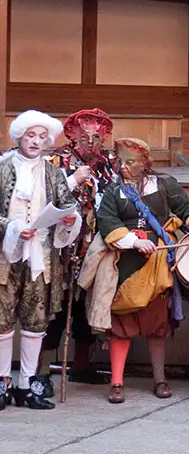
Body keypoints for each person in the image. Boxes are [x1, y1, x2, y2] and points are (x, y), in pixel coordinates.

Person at [97, 137, 189, 404]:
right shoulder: (113, 191)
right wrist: (134, 241)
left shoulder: (164, 184)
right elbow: (107, 221)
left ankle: (160, 379)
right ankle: (116, 382)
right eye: (120, 161)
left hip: (159, 263)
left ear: (145, 162)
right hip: (125, 264)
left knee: (157, 325)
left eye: (130, 161)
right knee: (121, 325)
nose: (123, 167)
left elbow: (186, 209)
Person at [0, 111, 81, 410]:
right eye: (31, 136)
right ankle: (2, 382)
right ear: (20, 136)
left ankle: (27, 385)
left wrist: (70, 219)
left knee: (35, 320)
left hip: (41, 256)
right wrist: (11, 228)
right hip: (5, 258)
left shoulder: (53, 173)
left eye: (41, 137)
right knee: (2, 319)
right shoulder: (2, 167)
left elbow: (66, 206)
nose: (36, 141)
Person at [44, 108, 116, 385]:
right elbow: (48, 196)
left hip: (97, 246)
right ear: (72, 134)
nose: (90, 141)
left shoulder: (109, 163)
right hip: (61, 245)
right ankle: (41, 371)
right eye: (84, 136)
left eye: (96, 136)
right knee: (55, 306)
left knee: (88, 305)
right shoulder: (56, 161)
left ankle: (82, 365)